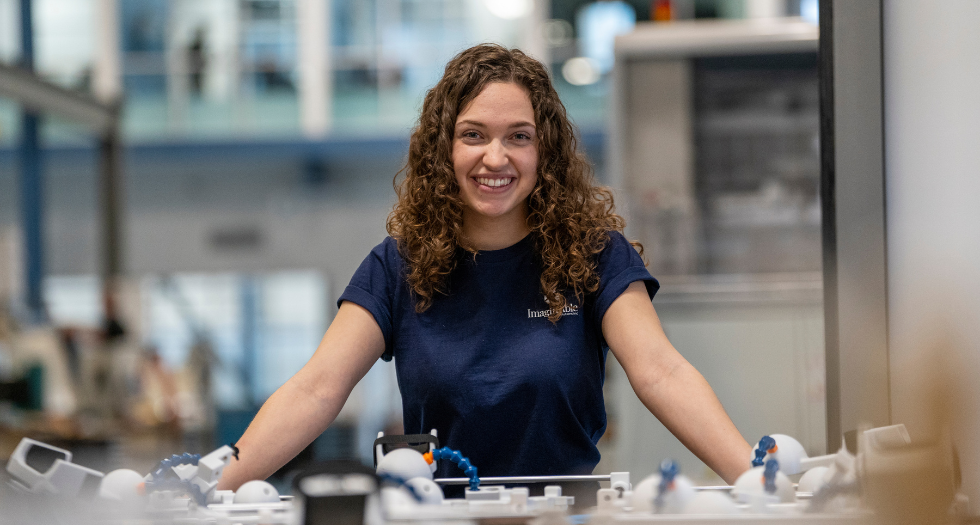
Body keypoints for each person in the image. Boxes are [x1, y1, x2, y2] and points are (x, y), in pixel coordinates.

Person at [217, 44, 750, 493]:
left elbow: (662, 372)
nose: (496, 158)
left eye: (518, 136)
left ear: (546, 151)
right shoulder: (396, 267)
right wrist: (213, 481)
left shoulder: (594, 255)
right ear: (443, 148)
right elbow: (317, 389)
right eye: (473, 134)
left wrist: (753, 477)